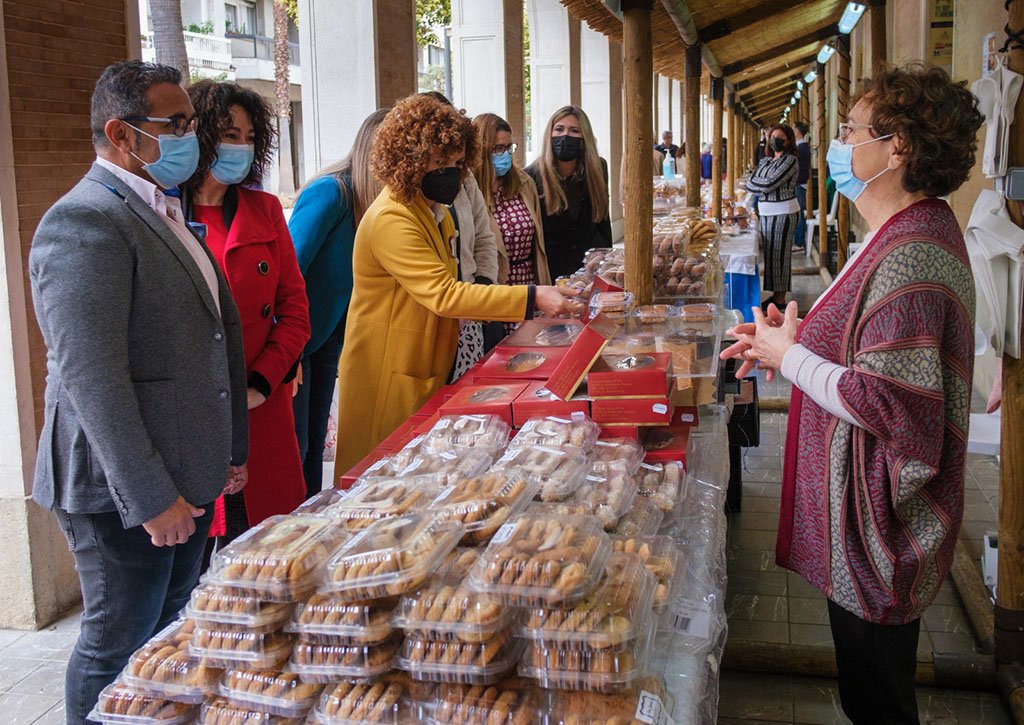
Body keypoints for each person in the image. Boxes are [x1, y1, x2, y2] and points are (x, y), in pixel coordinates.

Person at [721, 63, 982, 725]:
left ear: (897, 148)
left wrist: (791, 357)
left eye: (850, 131)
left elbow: (888, 400)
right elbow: (869, 343)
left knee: (878, 699)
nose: (838, 146)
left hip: (880, 529)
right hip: (863, 520)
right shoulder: (900, 233)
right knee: (866, 687)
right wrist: (792, 338)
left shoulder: (913, 254)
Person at [28, 61, 249, 724]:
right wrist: (151, 497)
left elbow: (209, 337)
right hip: (121, 490)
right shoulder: (84, 221)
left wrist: (229, 450)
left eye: (191, 123)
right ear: (122, 134)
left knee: (161, 636)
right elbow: (92, 378)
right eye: (175, 124)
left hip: (184, 472)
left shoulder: (159, 207)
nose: (191, 138)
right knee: (116, 642)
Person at [333, 95, 582, 477]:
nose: (449, 173)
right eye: (439, 163)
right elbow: (445, 294)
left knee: (419, 474)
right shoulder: (392, 219)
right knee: (380, 477)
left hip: (428, 361)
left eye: (455, 163)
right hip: (388, 370)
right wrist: (534, 296)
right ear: (409, 159)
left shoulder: (434, 212)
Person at [183, 79, 309, 540]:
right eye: (229, 135)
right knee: (198, 552)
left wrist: (261, 382)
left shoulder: (265, 209)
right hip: (193, 415)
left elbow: (295, 311)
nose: (240, 147)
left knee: (270, 545)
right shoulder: (163, 213)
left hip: (262, 404)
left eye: (249, 137)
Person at [288, 109, 387, 499]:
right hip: (298, 339)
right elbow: (290, 267)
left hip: (329, 336)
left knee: (314, 443)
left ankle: (311, 514)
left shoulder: (374, 202)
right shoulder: (333, 192)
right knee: (298, 447)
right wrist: (288, 349)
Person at [422, 92, 502, 378]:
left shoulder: (464, 179)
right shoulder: (403, 205)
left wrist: (483, 284)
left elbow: (484, 237)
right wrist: (533, 298)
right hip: (431, 321)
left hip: (469, 312)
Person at [473, 112, 552, 334]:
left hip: (528, 283)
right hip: (495, 289)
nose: (505, 155)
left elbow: (538, 242)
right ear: (481, 151)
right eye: (498, 148)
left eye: (509, 147)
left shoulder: (523, 184)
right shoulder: (470, 192)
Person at [525, 106, 611, 280]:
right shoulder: (531, 175)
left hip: (591, 269)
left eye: (574, 131)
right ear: (549, 134)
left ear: (584, 137)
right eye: (559, 129)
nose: (566, 135)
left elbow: (602, 220)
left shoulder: (598, 168)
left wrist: (606, 259)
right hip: (552, 271)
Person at [745, 124, 799, 309]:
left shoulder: (790, 160)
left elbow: (769, 184)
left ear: (788, 141)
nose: (775, 141)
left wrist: (758, 184)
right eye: (773, 137)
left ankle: (780, 299)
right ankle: (775, 296)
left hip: (783, 212)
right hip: (766, 212)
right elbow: (750, 182)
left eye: (780, 138)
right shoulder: (766, 161)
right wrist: (759, 184)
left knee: (780, 255)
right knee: (770, 255)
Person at [793, 121, 811, 252]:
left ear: (798, 132)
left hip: (799, 184)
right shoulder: (801, 147)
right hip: (800, 184)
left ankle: (799, 244)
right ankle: (798, 242)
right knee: (798, 214)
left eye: (793, 129)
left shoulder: (801, 148)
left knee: (799, 214)